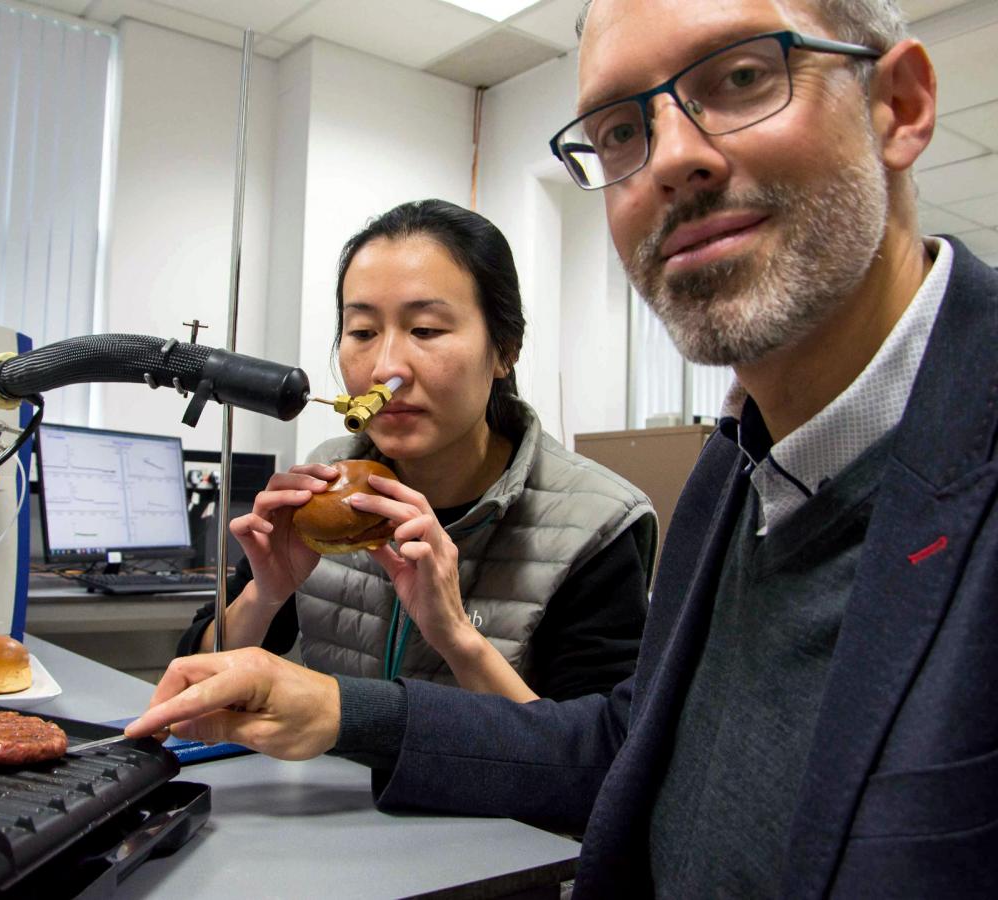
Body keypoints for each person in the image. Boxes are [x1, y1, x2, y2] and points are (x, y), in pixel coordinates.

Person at [128, 0, 998, 894]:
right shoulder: (737, 469)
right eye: (621, 129)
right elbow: (632, 753)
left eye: (741, 78)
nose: (672, 156)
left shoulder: (608, 516)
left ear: (898, 103)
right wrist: (320, 674)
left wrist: (452, 639)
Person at [177, 199, 657, 701]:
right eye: (362, 332)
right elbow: (197, 684)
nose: (386, 368)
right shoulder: (326, 481)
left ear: (505, 348)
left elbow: (598, 755)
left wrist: (456, 637)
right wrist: (266, 593)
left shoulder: (594, 522)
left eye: (425, 330)